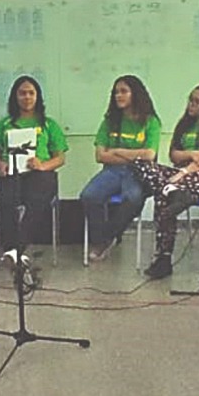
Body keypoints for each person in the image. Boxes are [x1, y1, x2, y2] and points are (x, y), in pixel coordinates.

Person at [133, 83, 199, 280]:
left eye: (197, 102)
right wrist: (192, 154)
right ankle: (175, 193)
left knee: (163, 194)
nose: (191, 105)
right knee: (141, 164)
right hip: (180, 174)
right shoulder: (185, 125)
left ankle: (163, 257)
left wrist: (185, 171)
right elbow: (174, 155)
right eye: (190, 100)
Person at [79, 75, 161, 263]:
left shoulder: (150, 121)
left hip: (137, 172)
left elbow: (149, 155)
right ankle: (102, 240)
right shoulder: (110, 121)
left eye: (123, 91)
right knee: (89, 196)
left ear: (136, 94)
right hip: (112, 171)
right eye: (116, 92)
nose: (118, 95)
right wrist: (132, 154)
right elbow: (100, 155)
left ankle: (107, 237)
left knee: (132, 198)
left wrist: (118, 151)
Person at [0, 75, 68, 253]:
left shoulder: (48, 124)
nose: (27, 97)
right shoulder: (4, 124)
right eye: (22, 93)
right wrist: (1, 166)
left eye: (31, 93)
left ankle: (16, 249)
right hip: (11, 173)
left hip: (41, 174)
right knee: (6, 198)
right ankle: (13, 250)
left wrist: (42, 165)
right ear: (15, 97)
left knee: (37, 199)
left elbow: (60, 158)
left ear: (38, 97)